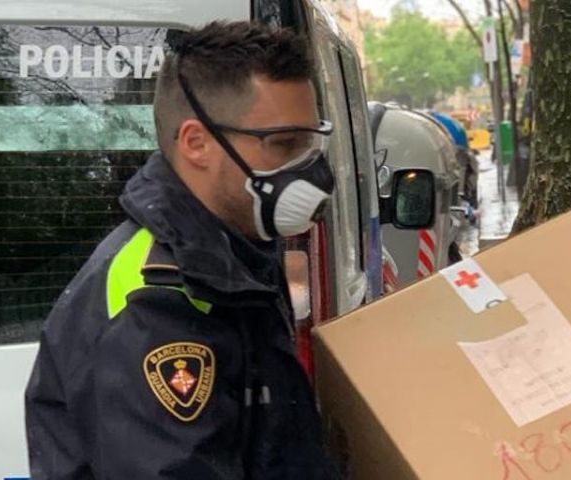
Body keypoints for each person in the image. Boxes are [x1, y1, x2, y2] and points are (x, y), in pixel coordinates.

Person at [25, 21, 339, 479]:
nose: (309, 167)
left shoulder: (235, 257)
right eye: (285, 144)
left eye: (311, 141)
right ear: (196, 143)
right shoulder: (153, 307)